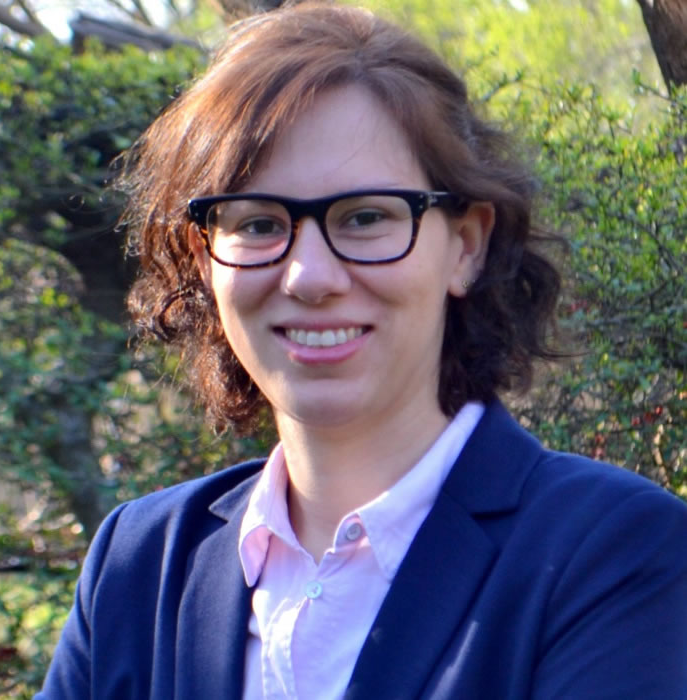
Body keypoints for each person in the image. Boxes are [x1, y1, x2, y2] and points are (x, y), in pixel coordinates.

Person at [37, 3, 687, 699]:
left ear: (466, 245)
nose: (309, 277)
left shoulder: (614, 554)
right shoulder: (138, 567)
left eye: (366, 217)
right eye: (258, 223)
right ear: (204, 260)